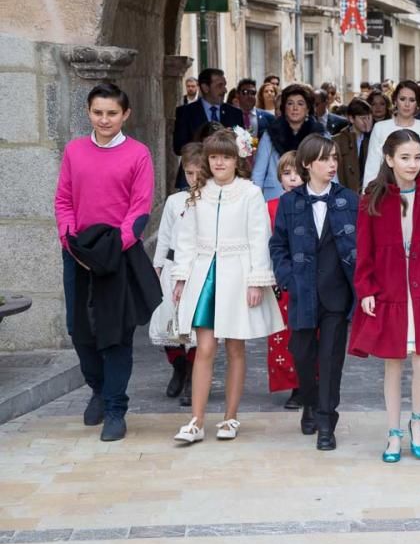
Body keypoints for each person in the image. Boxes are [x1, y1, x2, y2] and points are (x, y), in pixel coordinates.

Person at [349, 129, 420, 462]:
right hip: (390, 289)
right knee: (393, 362)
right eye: (404, 157)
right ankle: (393, 431)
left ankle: (418, 421)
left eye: (417, 157)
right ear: (388, 159)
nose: (412, 164)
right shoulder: (373, 198)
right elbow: (364, 248)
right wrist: (366, 288)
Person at [54, 83, 159, 442]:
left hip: (118, 255)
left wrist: (112, 248)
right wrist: (70, 242)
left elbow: (140, 208)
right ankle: (97, 389)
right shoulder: (74, 151)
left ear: (125, 115)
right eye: (98, 112)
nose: (104, 119)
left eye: (112, 113)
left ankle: (115, 407)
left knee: (116, 336)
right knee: (79, 330)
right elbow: (64, 200)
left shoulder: (138, 154)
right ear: (88, 112)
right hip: (78, 253)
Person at [171, 128, 284, 443]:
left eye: (226, 157)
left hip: (237, 274)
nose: (219, 163)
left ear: (238, 160)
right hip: (204, 275)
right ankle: (196, 420)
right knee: (204, 346)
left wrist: (256, 280)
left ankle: (230, 417)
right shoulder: (199, 193)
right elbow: (186, 239)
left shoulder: (249, 193)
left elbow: (259, 237)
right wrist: (181, 277)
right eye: (214, 157)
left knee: (235, 346)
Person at [270, 136, 358, 451]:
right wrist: (287, 279)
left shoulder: (349, 200)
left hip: (337, 295)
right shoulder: (290, 203)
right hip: (302, 292)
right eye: (324, 159)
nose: (332, 164)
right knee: (302, 355)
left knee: (331, 359)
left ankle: (326, 421)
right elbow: (278, 244)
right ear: (307, 164)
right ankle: (309, 399)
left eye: (334, 157)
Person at [150, 142, 203, 404]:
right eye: (190, 173)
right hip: (171, 270)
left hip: (198, 269)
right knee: (168, 323)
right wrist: (157, 267)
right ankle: (179, 368)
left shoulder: (212, 200)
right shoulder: (174, 201)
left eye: (199, 173)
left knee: (194, 327)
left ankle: (195, 375)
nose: (194, 179)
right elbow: (164, 237)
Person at [266, 150, 303, 410]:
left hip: (309, 278)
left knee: (311, 335)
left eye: (297, 173)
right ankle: (293, 385)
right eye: (287, 174)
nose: (293, 179)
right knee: (283, 335)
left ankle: (310, 383)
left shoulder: (314, 204)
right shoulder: (270, 208)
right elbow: (266, 246)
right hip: (282, 281)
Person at [362, 80, 420, 189]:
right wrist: (367, 198)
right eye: (402, 99)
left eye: (412, 100)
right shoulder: (380, 128)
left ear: (417, 103)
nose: (407, 104)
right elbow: (371, 169)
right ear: (395, 101)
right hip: (387, 192)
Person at [172, 68, 244, 189]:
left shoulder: (235, 113)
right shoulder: (186, 112)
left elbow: (241, 145)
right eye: (220, 86)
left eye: (224, 85)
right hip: (194, 178)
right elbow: (178, 147)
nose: (225, 90)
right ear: (205, 87)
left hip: (226, 179)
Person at [252, 84, 326, 200]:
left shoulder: (320, 135)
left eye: (300, 104)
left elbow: (329, 171)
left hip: (312, 198)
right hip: (275, 198)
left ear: (307, 109)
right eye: (290, 103)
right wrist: (255, 203)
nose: (295, 108)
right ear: (284, 108)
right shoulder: (270, 134)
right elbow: (258, 173)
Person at [331, 98, 373, 193]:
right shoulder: (337, 141)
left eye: (369, 118)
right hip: (344, 194)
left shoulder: (372, 139)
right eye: (363, 118)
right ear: (351, 118)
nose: (367, 122)